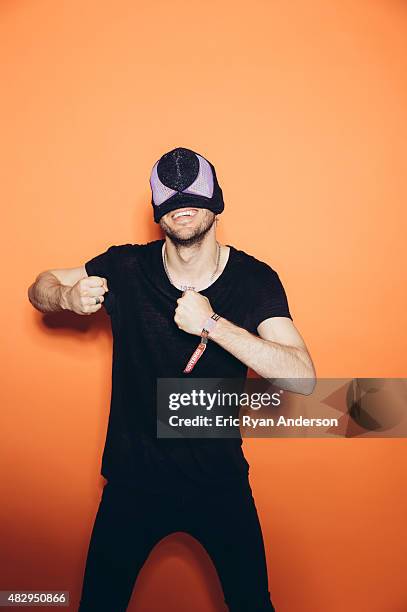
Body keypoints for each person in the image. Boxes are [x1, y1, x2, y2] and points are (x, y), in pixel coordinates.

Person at [28, 146, 316, 611]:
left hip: (219, 482)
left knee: (253, 605)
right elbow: (38, 287)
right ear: (157, 210)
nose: (181, 205)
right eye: (171, 199)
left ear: (216, 202)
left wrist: (213, 324)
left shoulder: (253, 280)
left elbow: (303, 379)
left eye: (192, 196)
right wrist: (65, 295)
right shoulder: (123, 267)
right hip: (132, 482)